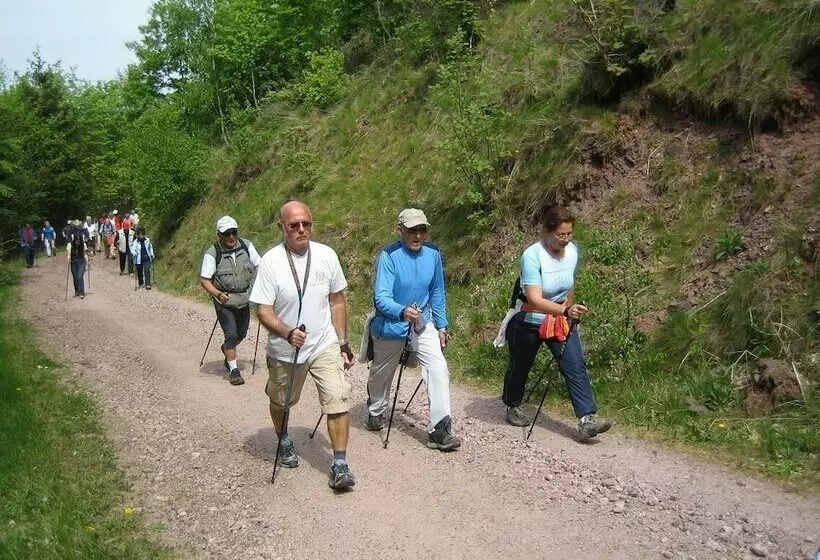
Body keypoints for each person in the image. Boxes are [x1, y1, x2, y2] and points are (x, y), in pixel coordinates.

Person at [249, 201, 356, 490]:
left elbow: (336, 299)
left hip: (323, 343)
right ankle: (283, 438)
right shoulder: (271, 262)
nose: (301, 229)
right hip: (286, 348)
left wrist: (343, 342)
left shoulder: (326, 255)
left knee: (337, 398)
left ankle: (340, 465)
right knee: (282, 401)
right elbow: (264, 311)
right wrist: (286, 332)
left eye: (306, 224)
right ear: (281, 228)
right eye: (294, 225)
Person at [500, 207, 612, 441]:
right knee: (520, 366)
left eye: (569, 234)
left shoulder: (572, 252)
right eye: (561, 235)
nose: (566, 239)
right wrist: (565, 310)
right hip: (527, 319)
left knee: (575, 363)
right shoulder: (532, 256)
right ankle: (512, 405)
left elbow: (568, 283)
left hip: (560, 316)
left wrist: (568, 311)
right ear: (546, 231)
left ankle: (586, 420)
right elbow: (534, 298)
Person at [365, 208, 461, 452]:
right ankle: (376, 407)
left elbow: (438, 292)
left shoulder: (433, 254)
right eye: (412, 230)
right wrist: (401, 310)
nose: (418, 235)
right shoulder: (389, 256)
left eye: (422, 230)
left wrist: (442, 325)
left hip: (422, 321)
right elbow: (381, 298)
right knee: (381, 373)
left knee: (438, 368)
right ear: (401, 231)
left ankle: (439, 430)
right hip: (391, 322)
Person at [199, 215, 262, 386]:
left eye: (234, 232)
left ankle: (228, 348)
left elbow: (260, 265)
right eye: (227, 233)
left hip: (244, 298)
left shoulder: (246, 246)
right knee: (232, 334)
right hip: (224, 301)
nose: (231, 237)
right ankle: (234, 370)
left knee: (241, 333)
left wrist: (261, 288)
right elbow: (205, 280)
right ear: (219, 235)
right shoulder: (213, 253)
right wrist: (218, 294)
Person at [66, 231, 88, 299]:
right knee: (75, 278)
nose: (77, 242)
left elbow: (85, 254)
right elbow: (69, 255)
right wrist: (68, 259)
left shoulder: (83, 245)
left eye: (79, 241)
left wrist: (87, 263)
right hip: (73, 262)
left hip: (81, 262)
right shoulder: (70, 245)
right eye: (76, 241)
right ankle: (77, 291)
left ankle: (82, 292)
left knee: (79, 276)